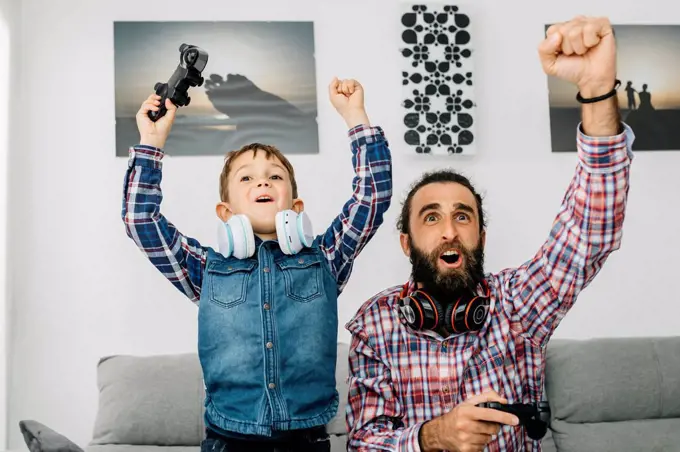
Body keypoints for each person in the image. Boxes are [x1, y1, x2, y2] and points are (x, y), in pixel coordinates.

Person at [345, 16, 635, 452]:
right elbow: (363, 443)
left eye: (463, 217)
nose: (449, 231)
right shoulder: (374, 323)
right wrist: (434, 436)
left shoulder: (519, 305)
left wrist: (597, 91)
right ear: (405, 243)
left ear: (481, 234)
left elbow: (589, 231)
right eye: (430, 218)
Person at [121, 77, 393, 452]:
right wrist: (152, 142)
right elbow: (140, 220)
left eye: (275, 176)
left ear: (295, 207)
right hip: (228, 441)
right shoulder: (205, 270)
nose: (262, 181)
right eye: (246, 177)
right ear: (226, 211)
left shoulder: (326, 257)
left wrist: (355, 117)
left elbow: (373, 197)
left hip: (306, 441)